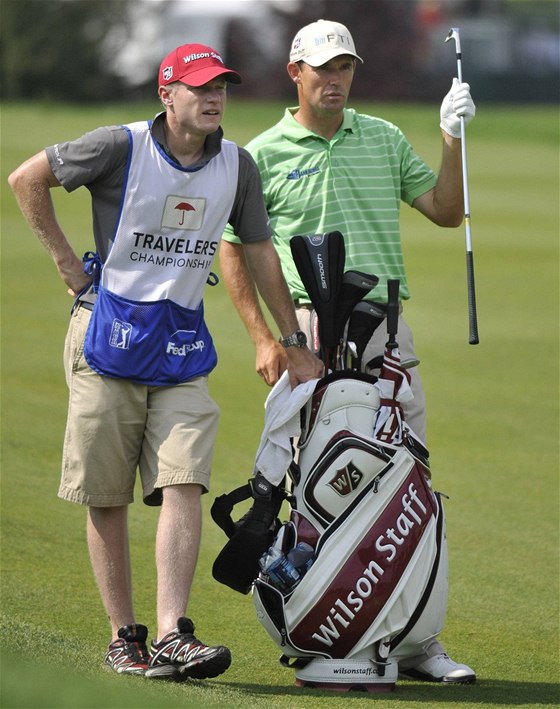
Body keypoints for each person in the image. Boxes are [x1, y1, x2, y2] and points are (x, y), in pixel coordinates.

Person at [8, 43, 323, 682]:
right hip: (105, 337)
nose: (213, 98)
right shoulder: (118, 146)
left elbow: (259, 249)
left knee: (184, 478)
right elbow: (26, 178)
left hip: (180, 344)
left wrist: (293, 339)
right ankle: (125, 636)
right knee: (107, 493)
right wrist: (68, 263)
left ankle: (175, 632)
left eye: (222, 89)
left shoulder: (237, 165)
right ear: (167, 94)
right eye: (200, 87)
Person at [219, 20, 476, 683]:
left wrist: (452, 135)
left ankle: (419, 639)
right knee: (319, 486)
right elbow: (233, 248)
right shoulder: (263, 153)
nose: (335, 80)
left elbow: (447, 211)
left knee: (408, 480)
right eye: (323, 68)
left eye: (345, 68)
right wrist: (263, 337)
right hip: (310, 332)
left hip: (387, 330)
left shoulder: (384, 138)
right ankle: (324, 627)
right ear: (295, 73)